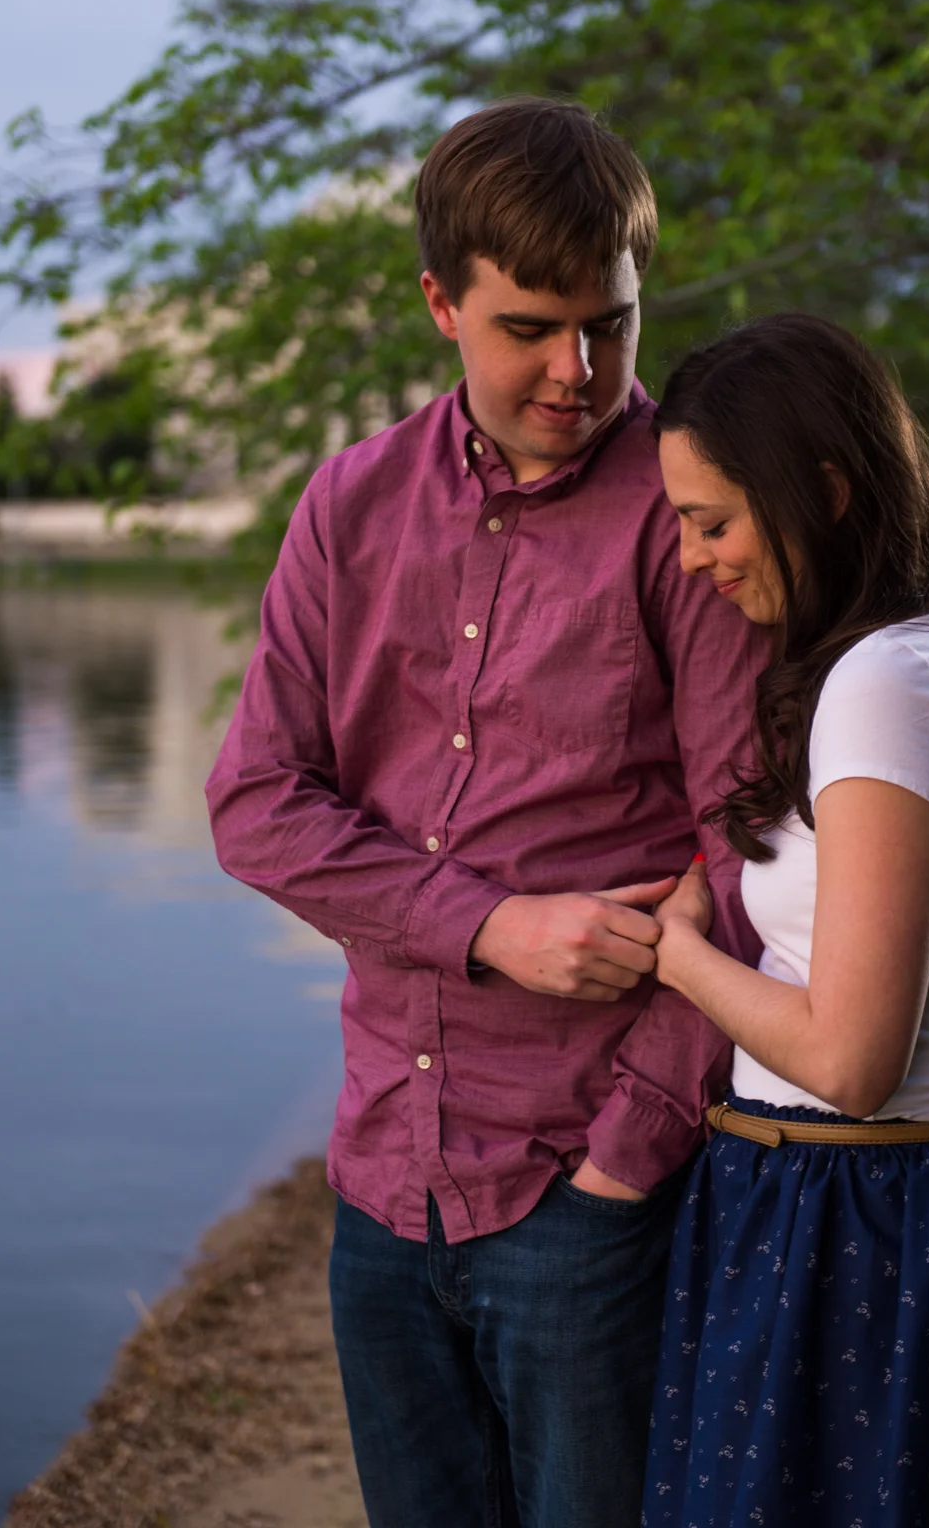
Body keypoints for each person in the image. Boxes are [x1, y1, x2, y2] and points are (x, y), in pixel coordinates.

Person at [205, 98, 768, 1528]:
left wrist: (623, 1165)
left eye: (609, 325)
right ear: (439, 304)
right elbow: (256, 800)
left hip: (593, 1194)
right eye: (530, 328)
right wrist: (488, 926)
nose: (576, 371)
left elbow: (747, 859)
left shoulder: (693, 519)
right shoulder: (348, 505)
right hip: (382, 1184)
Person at [640, 314, 929, 1527]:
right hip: (872, 1205)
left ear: (824, 493)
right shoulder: (921, 659)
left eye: (712, 523)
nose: (691, 559)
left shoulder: (887, 685)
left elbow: (853, 1062)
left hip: (860, 1222)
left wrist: (677, 956)